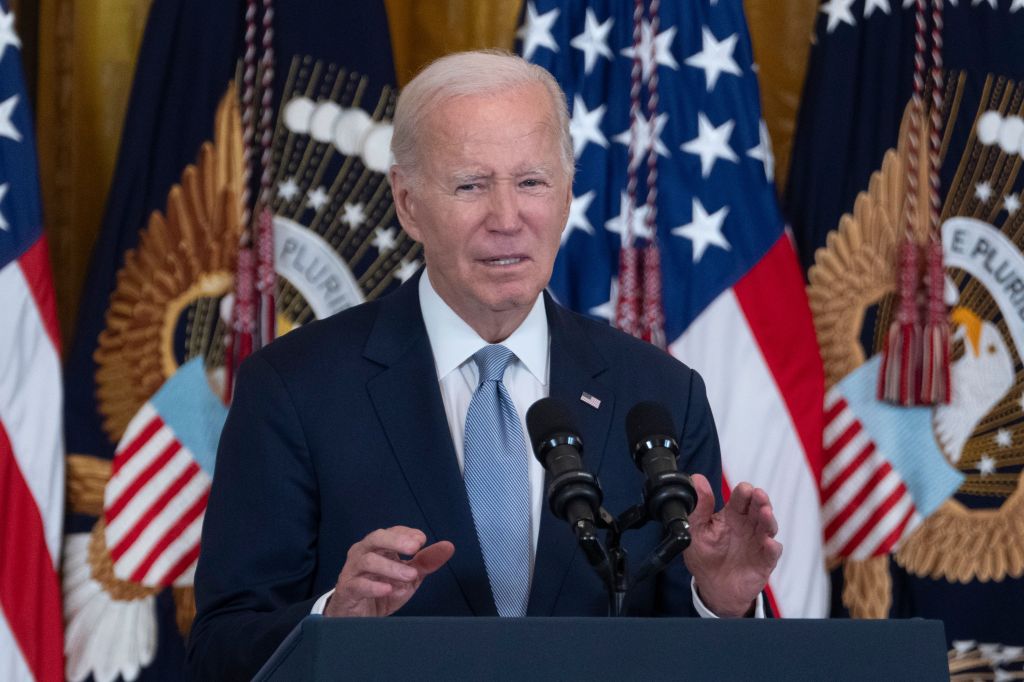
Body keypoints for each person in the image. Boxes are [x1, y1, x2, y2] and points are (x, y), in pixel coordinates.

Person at [187, 50, 781, 680]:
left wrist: (720, 600)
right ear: (408, 201)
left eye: (531, 182)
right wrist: (335, 621)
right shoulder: (296, 389)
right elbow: (222, 649)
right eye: (471, 185)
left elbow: (686, 654)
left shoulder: (659, 394)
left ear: (567, 193)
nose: (506, 219)